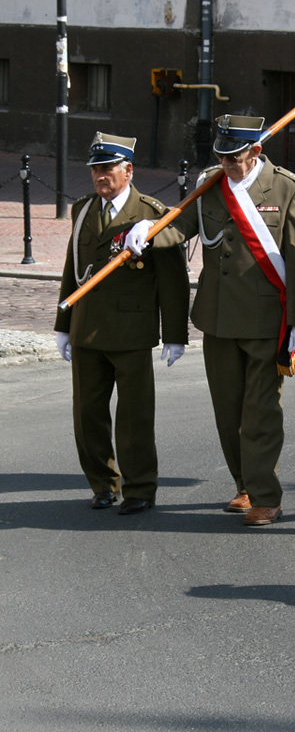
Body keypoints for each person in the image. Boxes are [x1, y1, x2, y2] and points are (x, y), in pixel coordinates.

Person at [128, 114, 295, 526]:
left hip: (267, 321)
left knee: (261, 411)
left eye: (235, 157)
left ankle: (266, 496)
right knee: (228, 413)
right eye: (222, 156)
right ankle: (245, 483)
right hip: (218, 318)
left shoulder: (288, 188)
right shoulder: (210, 185)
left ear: (256, 151)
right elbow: (181, 225)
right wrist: (150, 230)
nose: (227, 164)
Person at [54, 132, 189, 515]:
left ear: (128, 170)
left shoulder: (151, 214)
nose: (101, 175)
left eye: (108, 168)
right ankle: (102, 483)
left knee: (134, 417)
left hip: (131, 331)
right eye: (96, 168)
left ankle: (140, 488)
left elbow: (173, 281)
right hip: (87, 329)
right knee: (88, 415)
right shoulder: (83, 210)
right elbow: (72, 268)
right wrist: (63, 324)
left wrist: (175, 335)